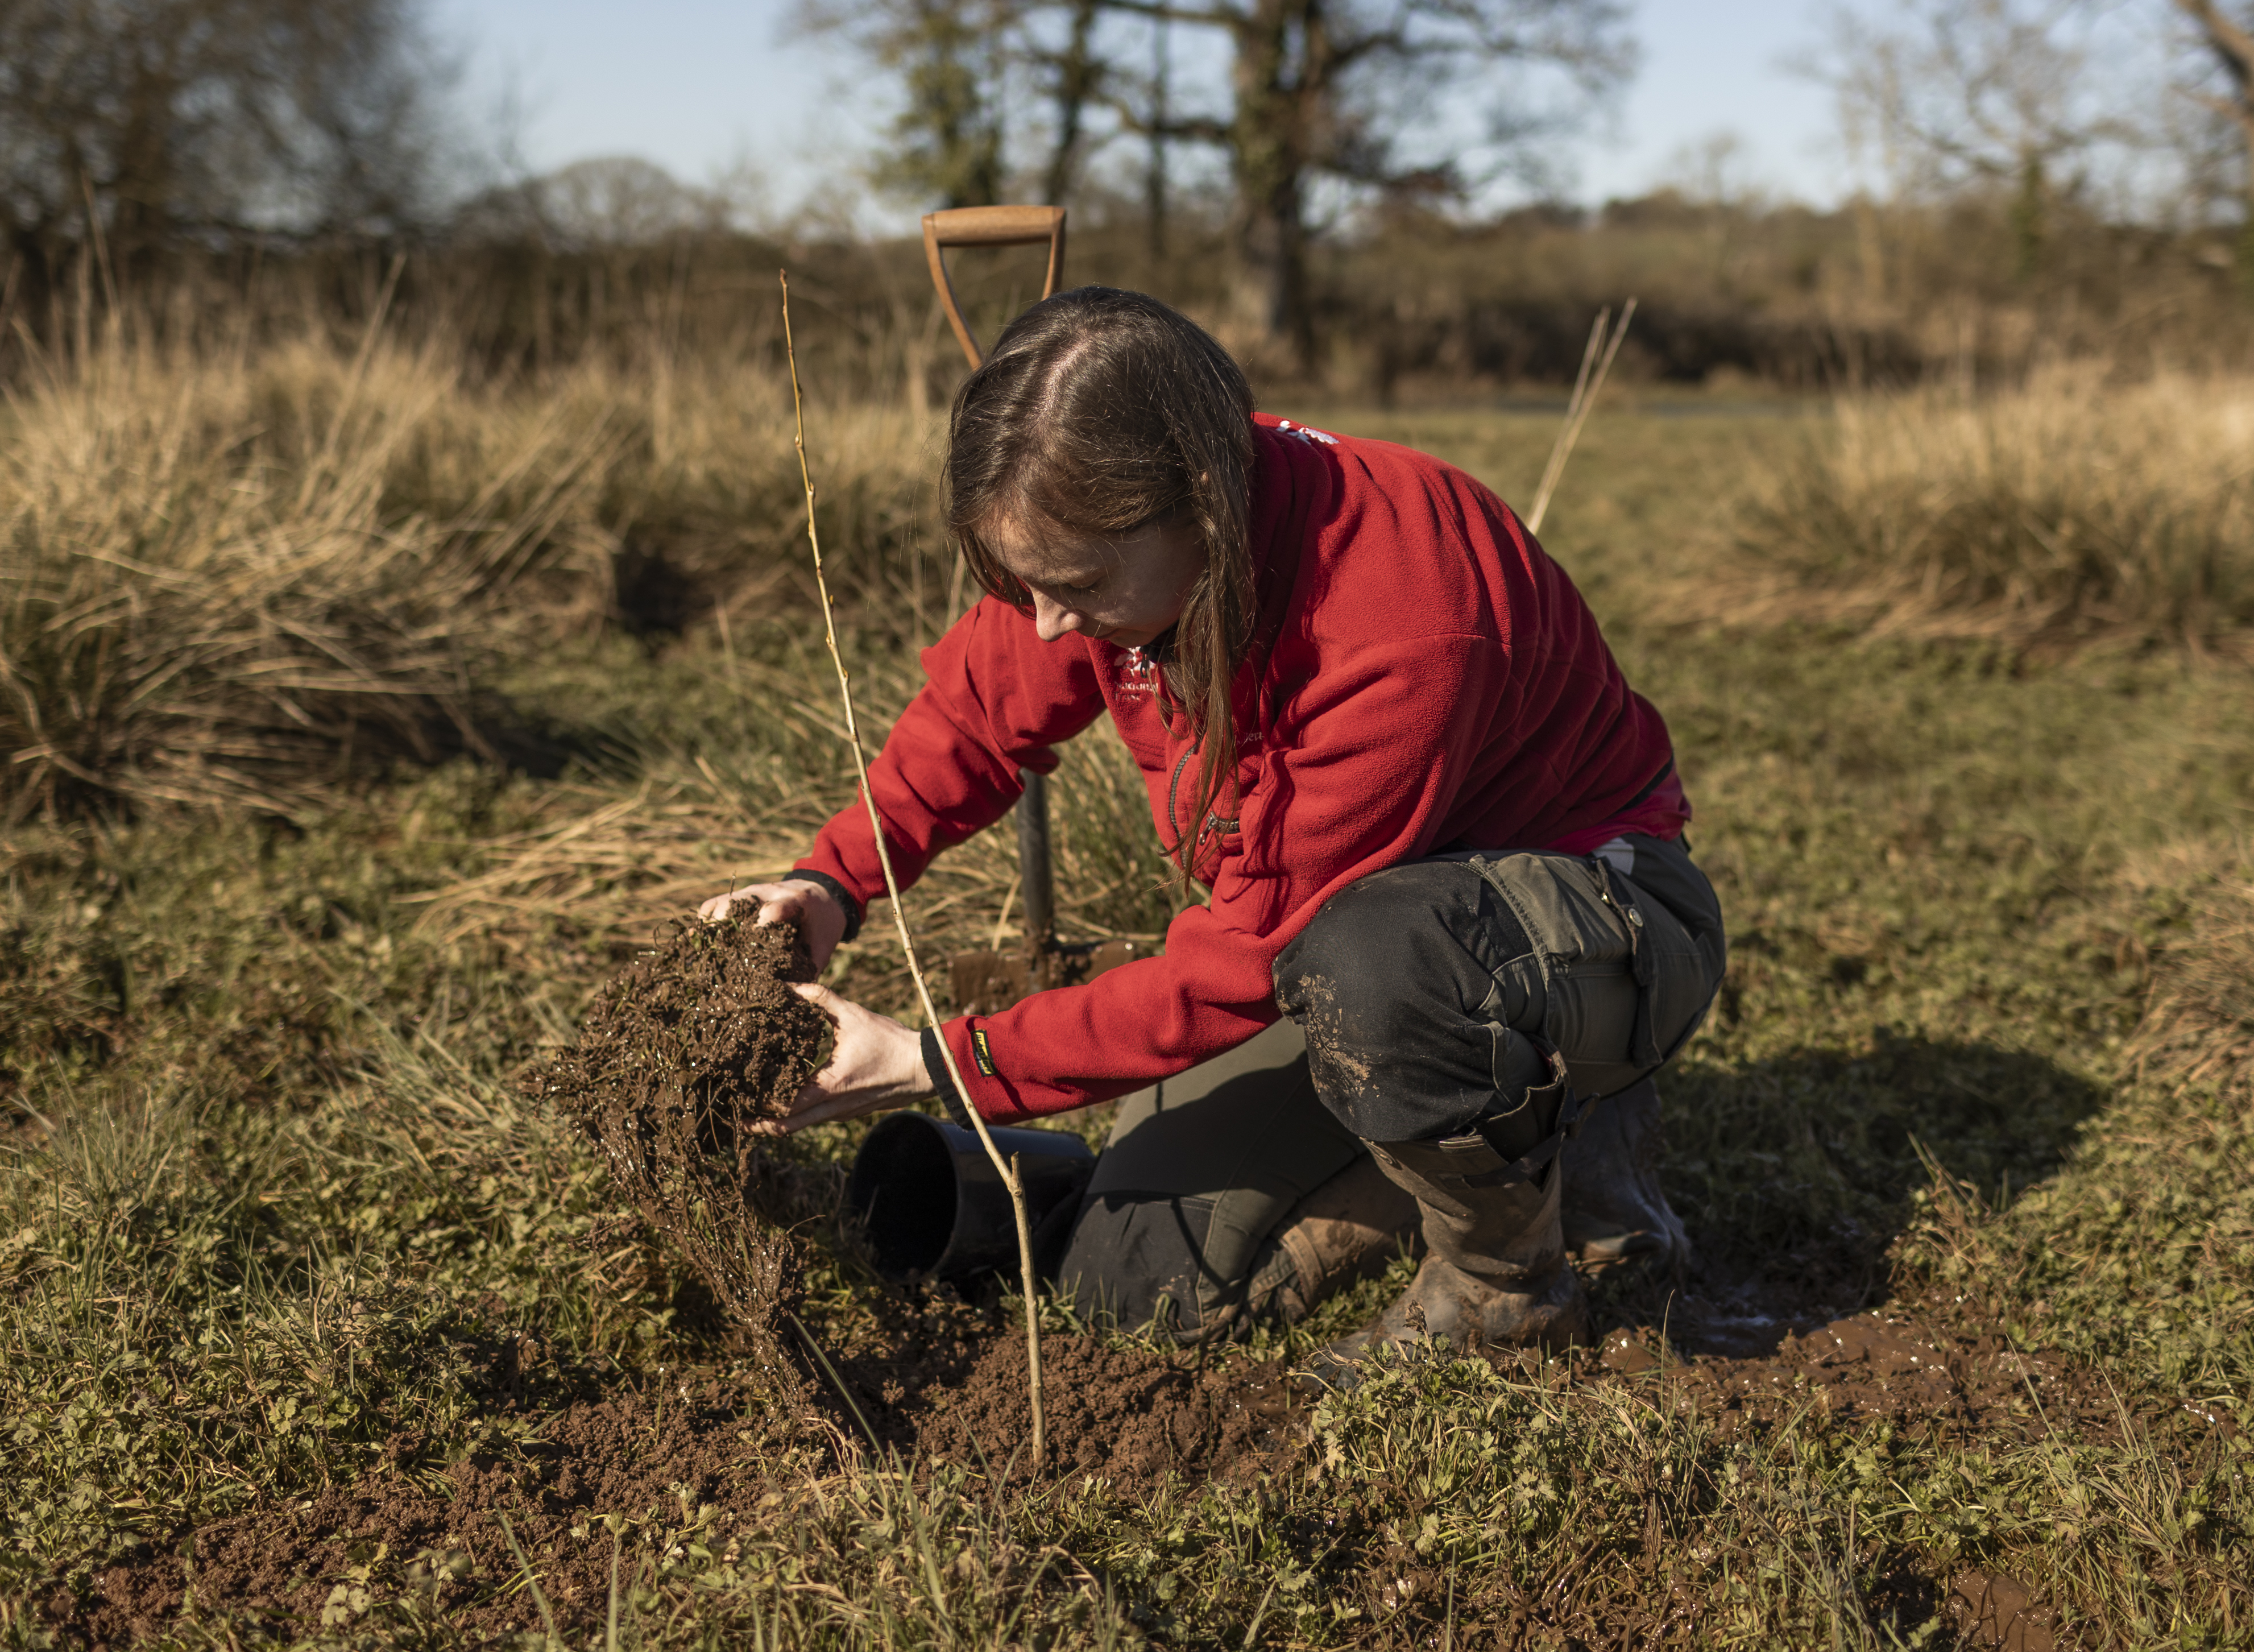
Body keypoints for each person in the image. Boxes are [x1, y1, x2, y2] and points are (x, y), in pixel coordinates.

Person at [706, 287, 1725, 1367]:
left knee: (1374, 963)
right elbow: (973, 716)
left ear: (1204, 502)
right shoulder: (1110, 541)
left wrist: (929, 1062)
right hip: (1347, 933)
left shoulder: (1397, 615)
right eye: (1020, 582)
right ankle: (1475, 1129)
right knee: (1129, 1279)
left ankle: (1512, 1270)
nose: (1046, 622)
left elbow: (1245, 962)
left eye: (1077, 586)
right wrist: (828, 885)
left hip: (1585, 919)